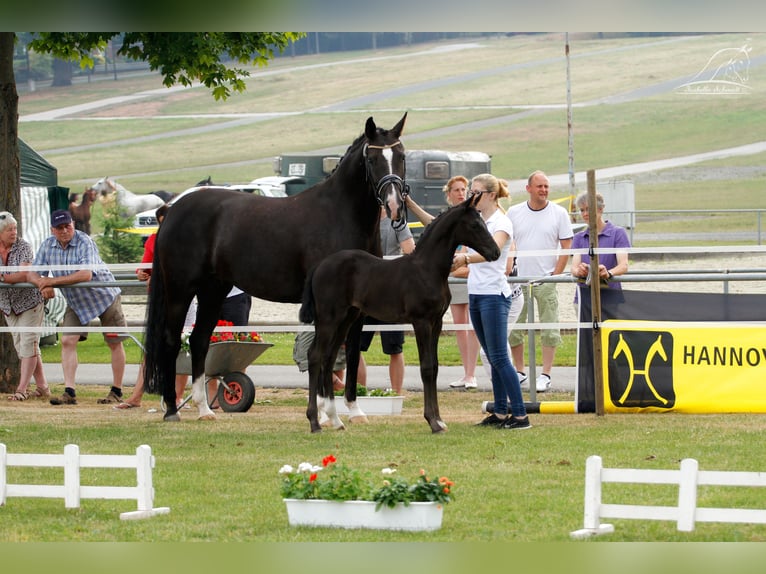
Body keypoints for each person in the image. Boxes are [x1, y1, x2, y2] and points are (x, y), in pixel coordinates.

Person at [451, 174, 529, 429]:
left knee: (499, 356)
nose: (472, 197)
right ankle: (500, 411)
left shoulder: (501, 223)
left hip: (494, 295)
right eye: (471, 192)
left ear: (492, 195)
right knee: (493, 355)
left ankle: (520, 415)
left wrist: (465, 260)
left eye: (477, 193)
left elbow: (492, 251)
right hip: (477, 293)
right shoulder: (477, 220)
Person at [29, 209, 128, 406]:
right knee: (67, 340)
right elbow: (32, 273)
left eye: (67, 225)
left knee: (114, 340)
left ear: (73, 224)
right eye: (60, 227)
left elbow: (86, 275)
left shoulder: (84, 241)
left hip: (103, 295)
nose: (65, 230)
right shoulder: (47, 245)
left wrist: (52, 282)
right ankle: (69, 392)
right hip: (76, 300)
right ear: (52, 230)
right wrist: (42, 284)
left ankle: (117, 390)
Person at [115, 204, 196, 409]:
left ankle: (177, 397)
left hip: (183, 299)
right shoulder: (153, 240)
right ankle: (136, 396)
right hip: (161, 300)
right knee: (152, 347)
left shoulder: (188, 241)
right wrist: (143, 274)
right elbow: (145, 266)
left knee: (184, 345)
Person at [406, 178, 482, 390]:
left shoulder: (470, 215)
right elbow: (430, 223)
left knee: (473, 326)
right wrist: (410, 204)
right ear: (448, 194)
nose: (460, 193)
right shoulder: (447, 217)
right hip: (452, 276)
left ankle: (471, 373)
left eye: (463, 190)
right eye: (456, 190)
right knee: (459, 325)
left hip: (467, 272)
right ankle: (467, 373)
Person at [507, 170, 573, 393]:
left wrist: (554, 275)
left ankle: (546, 374)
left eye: (546, 186)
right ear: (529, 188)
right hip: (519, 280)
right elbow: (508, 243)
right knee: (516, 328)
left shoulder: (559, 213)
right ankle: (519, 370)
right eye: (539, 186)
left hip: (546, 280)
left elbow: (567, 247)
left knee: (549, 328)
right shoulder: (514, 212)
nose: (543, 190)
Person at [357, 207, 416, 395]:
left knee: (393, 347)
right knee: (358, 345)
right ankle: (360, 391)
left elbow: (410, 250)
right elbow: (409, 249)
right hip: (374, 293)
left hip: (384, 293)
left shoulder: (395, 222)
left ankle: (393, 394)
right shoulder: (364, 221)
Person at [0, 212, 51, 401]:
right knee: (22, 345)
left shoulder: (24, 246)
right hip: (8, 305)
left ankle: (21, 389)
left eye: (14, 228)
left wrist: (3, 278)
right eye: (8, 230)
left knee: (28, 344)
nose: (13, 232)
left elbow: (24, 274)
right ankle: (43, 387)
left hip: (29, 302)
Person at [570, 192, 630, 305]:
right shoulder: (578, 237)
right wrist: (579, 271)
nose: (585, 213)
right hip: (584, 298)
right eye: (582, 210)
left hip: (611, 298)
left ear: (601, 209)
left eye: (589, 209)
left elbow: (624, 265)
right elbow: (573, 267)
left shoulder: (618, 233)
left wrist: (608, 273)